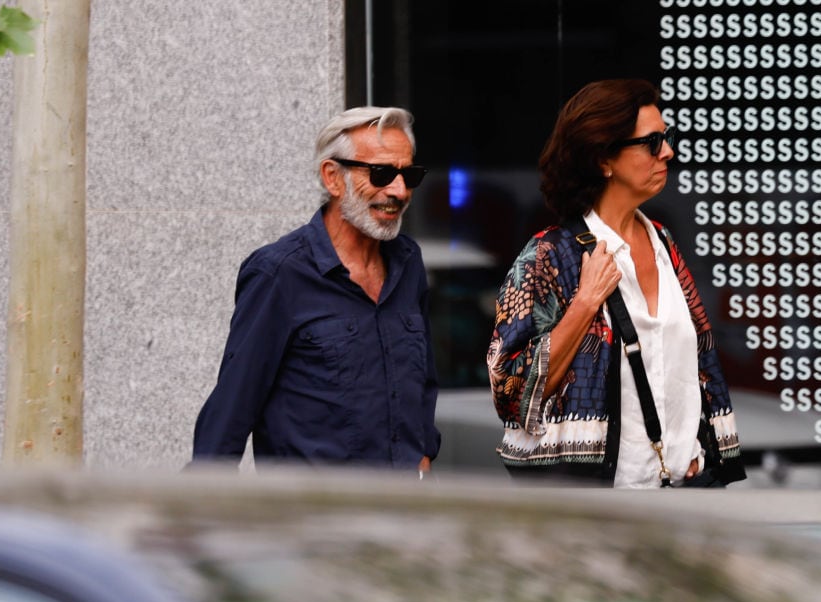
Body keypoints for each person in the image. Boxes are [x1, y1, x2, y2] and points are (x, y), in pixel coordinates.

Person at [487, 79, 745, 488]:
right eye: (652, 142)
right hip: (602, 501)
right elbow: (508, 393)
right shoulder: (550, 257)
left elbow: (693, 364)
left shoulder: (663, 243)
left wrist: (696, 447)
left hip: (682, 492)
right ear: (603, 158)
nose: (667, 152)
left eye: (667, 138)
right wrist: (585, 302)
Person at [193, 106, 440, 474]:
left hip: (405, 502)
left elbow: (423, 381)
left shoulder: (408, 262)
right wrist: (200, 499)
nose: (399, 190)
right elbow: (232, 407)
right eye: (382, 174)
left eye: (410, 175)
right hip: (314, 507)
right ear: (333, 178)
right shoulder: (279, 273)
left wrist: (423, 454)